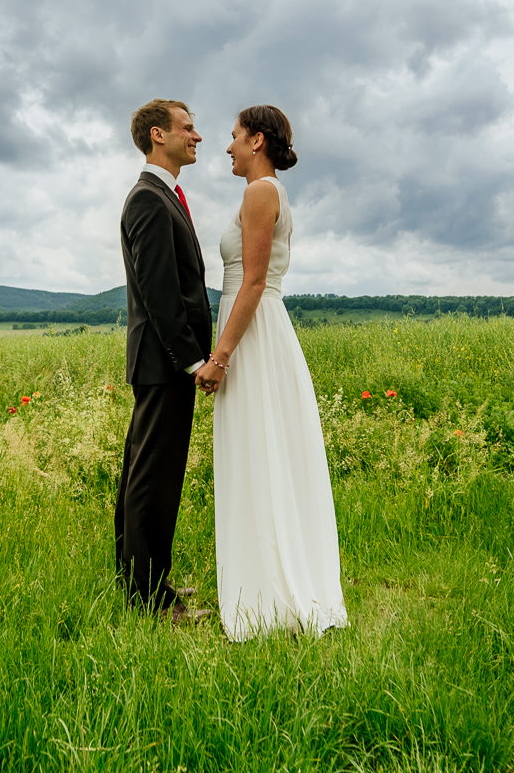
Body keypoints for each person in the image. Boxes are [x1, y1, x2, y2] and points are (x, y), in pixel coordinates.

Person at [194, 105, 349, 641]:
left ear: (257, 140)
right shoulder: (272, 193)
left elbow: (254, 282)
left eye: (234, 136)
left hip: (253, 334)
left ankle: (267, 595)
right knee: (263, 451)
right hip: (261, 330)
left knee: (258, 451)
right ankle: (266, 583)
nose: (228, 147)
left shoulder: (260, 193)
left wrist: (221, 356)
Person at [116, 99, 214, 624]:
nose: (197, 136)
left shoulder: (163, 195)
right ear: (159, 134)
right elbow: (159, 293)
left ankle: (141, 581)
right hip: (165, 364)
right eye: (188, 128)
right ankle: (152, 601)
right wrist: (192, 361)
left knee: (144, 472)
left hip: (162, 363)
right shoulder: (150, 199)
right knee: (153, 478)